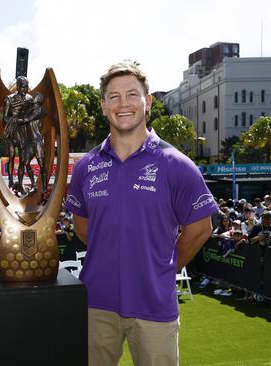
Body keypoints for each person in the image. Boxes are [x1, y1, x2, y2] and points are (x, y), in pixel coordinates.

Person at [64, 61, 217, 366]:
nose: (123, 104)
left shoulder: (177, 164)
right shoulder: (86, 166)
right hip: (97, 303)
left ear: (147, 103)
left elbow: (201, 229)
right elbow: (84, 229)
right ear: (104, 105)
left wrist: (165, 266)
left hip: (154, 305)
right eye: (114, 96)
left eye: (132, 95)